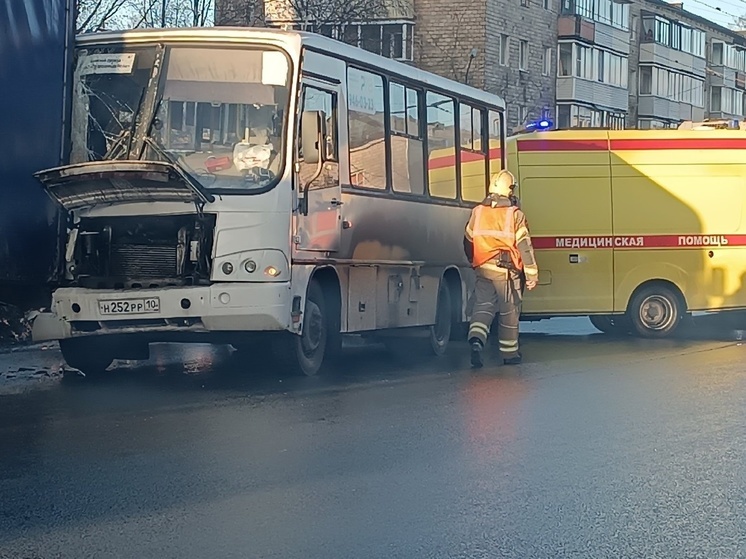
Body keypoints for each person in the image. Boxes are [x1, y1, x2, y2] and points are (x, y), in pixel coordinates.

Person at [463, 170, 539, 368]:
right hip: (506, 271)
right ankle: (509, 353)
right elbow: (525, 247)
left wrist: (474, 260)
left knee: (482, 306)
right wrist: (531, 274)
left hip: (482, 268)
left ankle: (477, 339)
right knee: (509, 311)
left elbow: (467, 241)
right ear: (510, 190)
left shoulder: (478, 212)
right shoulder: (515, 215)